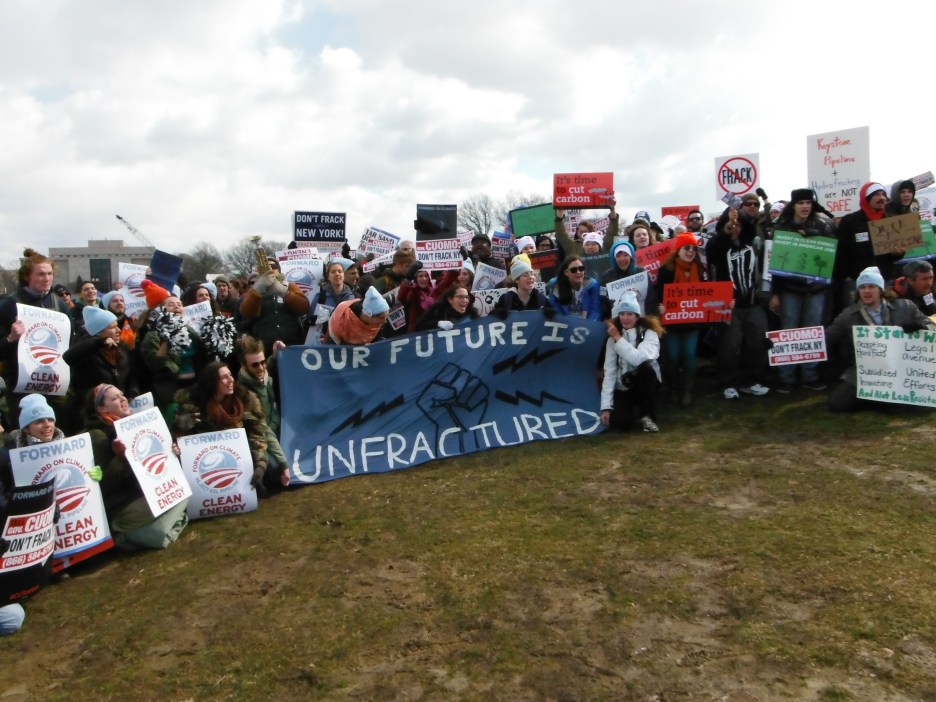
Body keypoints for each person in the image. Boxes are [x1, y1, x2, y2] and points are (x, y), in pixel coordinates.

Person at [86, 385, 190, 550]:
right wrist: (120, 458)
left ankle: (145, 533)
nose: (123, 399)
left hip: (142, 494)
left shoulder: (136, 424)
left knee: (181, 490)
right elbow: (104, 483)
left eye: (122, 394)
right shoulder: (98, 435)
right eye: (114, 398)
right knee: (177, 495)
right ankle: (125, 533)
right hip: (122, 504)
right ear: (101, 408)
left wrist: (171, 452)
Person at [825, 267, 934, 412]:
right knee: (837, 404)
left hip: (902, 368)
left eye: (871, 286)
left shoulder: (905, 306)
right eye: (862, 287)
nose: (866, 291)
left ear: (881, 289)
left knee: (923, 407)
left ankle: (880, 399)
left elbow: (932, 326)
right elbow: (826, 339)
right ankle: (879, 399)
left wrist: (921, 325)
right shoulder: (848, 315)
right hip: (866, 371)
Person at [171, 362, 285, 496]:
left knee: (271, 465)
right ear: (212, 383)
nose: (231, 380)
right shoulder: (192, 404)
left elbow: (257, 434)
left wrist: (260, 466)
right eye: (224, 377)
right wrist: (182, 426)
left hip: (238, 456)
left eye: (230, 375)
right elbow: (178, 440)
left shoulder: (244, 398)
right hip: (207, 462)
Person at [768, 189, 837, 392]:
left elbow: (832, 254)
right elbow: (772, 264)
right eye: (801, 203)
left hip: (816, 289)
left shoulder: (823, 226)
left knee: (812, 332)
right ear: (794, 205)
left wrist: (816, 239)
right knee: (787, 332)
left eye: (808, 202)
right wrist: (774, 293)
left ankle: (810, 376)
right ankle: (786, 377)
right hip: (789, 289)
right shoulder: (781, 227)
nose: (805, 206)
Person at [0, 249, 74, 429]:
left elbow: (70, 344)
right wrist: (11, 338)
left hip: (55, 385)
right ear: (27, 277)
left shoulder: (58, 304)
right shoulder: (9, 305)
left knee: (56, 433)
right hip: (22, 386)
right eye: (40, 274)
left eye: (49, 274)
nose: (46, 278)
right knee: (27, 438)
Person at [707, 194, 770, 399]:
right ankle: (728, 383)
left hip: (753, 303)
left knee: (757, 342)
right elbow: (712, 250)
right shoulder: (719, 247)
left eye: (738, 225)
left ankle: (752, 380)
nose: (735, 228)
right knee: (729, 345)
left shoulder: (753, 244)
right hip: (729, 306)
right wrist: (726, 230)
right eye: (730, 226)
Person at [600, 291, 663, 433]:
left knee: (645, 368)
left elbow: (638, 358)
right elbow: (609, 372)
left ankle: (648, 416)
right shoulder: (612, 339)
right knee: (621, 423)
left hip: (647, 383)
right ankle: (632, 412)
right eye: (622, 314)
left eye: (629, 314)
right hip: (624, 386)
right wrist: (606, 407)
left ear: (637, 316)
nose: (625, 318)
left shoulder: (649, 333)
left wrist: (618, 338)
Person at [136, 280, 205, 411]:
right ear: (162, 310)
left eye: (179, 304)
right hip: (170, 390)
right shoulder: (153, 334)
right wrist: (168, 341)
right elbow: (155, 364)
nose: (177, 307)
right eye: (171, 305)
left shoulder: (190, 331)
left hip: (194, 386)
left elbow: (202, 357)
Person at [656, 232, 706, 406]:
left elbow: (707, 294)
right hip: (672, 323)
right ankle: (672, 390)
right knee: (672, 356)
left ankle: (687, 391)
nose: (691, 251)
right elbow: (659, 294)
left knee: (690, 354)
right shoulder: (666, 270)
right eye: (687, 247)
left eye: (694, 248)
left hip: (692, 322)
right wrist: (660, 306)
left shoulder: (700, 270)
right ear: (678, 249)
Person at [834, 182, 897, 306]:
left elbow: (894, 253)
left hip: (883, 279)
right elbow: (841, 251)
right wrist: (846, 276)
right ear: (867, 198)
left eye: (883, 194)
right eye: (877, 195)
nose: (882, 198)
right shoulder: (850, 221)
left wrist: (898, 253)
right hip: (856, 281)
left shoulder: (890, 221)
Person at [62, 305, 138, 407]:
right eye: (112, 327)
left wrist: (133, 391)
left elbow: (133, 373)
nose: (118, 330)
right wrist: (99, 342)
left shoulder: (122, 348)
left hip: (119, 406)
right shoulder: (86, 349)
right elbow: (68, 357)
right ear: (99, 331)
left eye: (117, 326)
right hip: (92, 409)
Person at [238, 268, 309, 355]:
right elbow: (246, 312)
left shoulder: (290, 286)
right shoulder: (255, 290)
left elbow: (303, 308)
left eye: (273, 266)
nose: (269, 268)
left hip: (292, 344)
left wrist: (283, 291)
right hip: (265, 346)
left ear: (279, 270)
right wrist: (257, 290)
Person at [600, 241, 657, 316]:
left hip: (640, 319)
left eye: (625, 255)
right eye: (618, 256)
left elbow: (650, 299)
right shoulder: (605, 277)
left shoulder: (641, 273)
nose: (622, 259)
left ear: (631, 256)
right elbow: (602, 301)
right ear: (613, 258)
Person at [553, 198, 618, 258]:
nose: (590, 247)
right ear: (577, 233)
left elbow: (611, 233)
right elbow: (561, 234)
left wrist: (612, 209)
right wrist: (560, 213)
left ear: (591, 232)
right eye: (581, 231)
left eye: (586, 231)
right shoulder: (572, 246)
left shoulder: (603, 244)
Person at [547, 256, 602, 321]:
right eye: (574, 270)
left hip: (587, 323)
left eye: (581, 268)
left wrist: (589, 324)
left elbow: (595, 310)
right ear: (566, 272)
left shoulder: (593, 285)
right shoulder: (555, 285)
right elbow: (555, 312)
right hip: (565, 324)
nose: (578, 272)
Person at [397, 261, 437, 333]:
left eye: (426, 276)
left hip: (433, 330)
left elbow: (446, 283)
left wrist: (456, 266)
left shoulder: (434, 291)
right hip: (416, 332)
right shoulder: (412, 292)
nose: (424, 279)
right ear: (416, 278)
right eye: (420, 276)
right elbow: (401, 297)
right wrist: (407, 279)